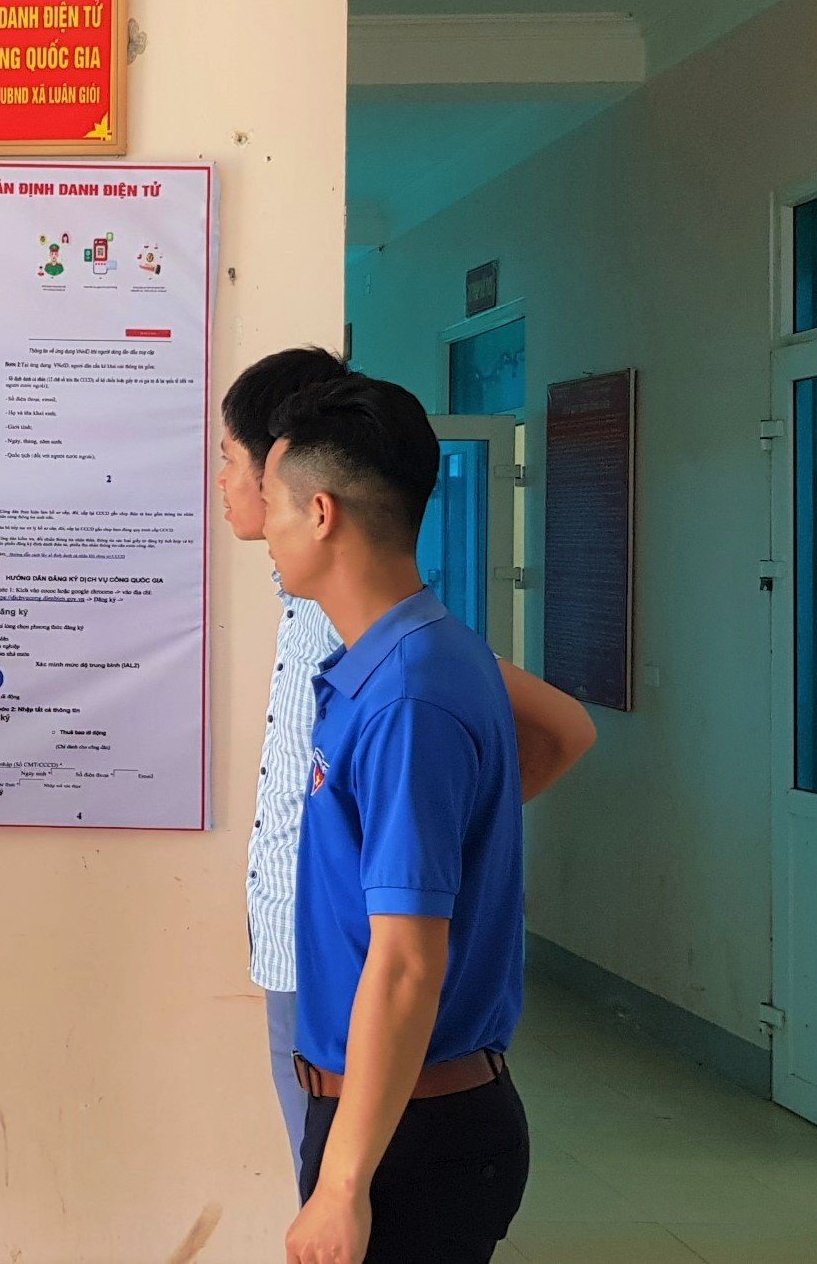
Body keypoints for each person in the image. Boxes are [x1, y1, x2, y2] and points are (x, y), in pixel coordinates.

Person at [216, 348, 595, 1180]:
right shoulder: (354, 631)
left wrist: (422, 861)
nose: (229, 486)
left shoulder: (399, 666)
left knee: (348, 1193)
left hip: (368, 993)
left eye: (235, 462)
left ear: (313, 500)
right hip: (331, 970)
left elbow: (408, 961)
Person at [263, 376, 533, 1264]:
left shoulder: (408, 694)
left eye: (273, 502)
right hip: (388, 1117)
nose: (263, 528)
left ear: (321, 514)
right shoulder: (412, 654)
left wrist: (344, 1188)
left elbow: (409, 964)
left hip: (409, 1138)